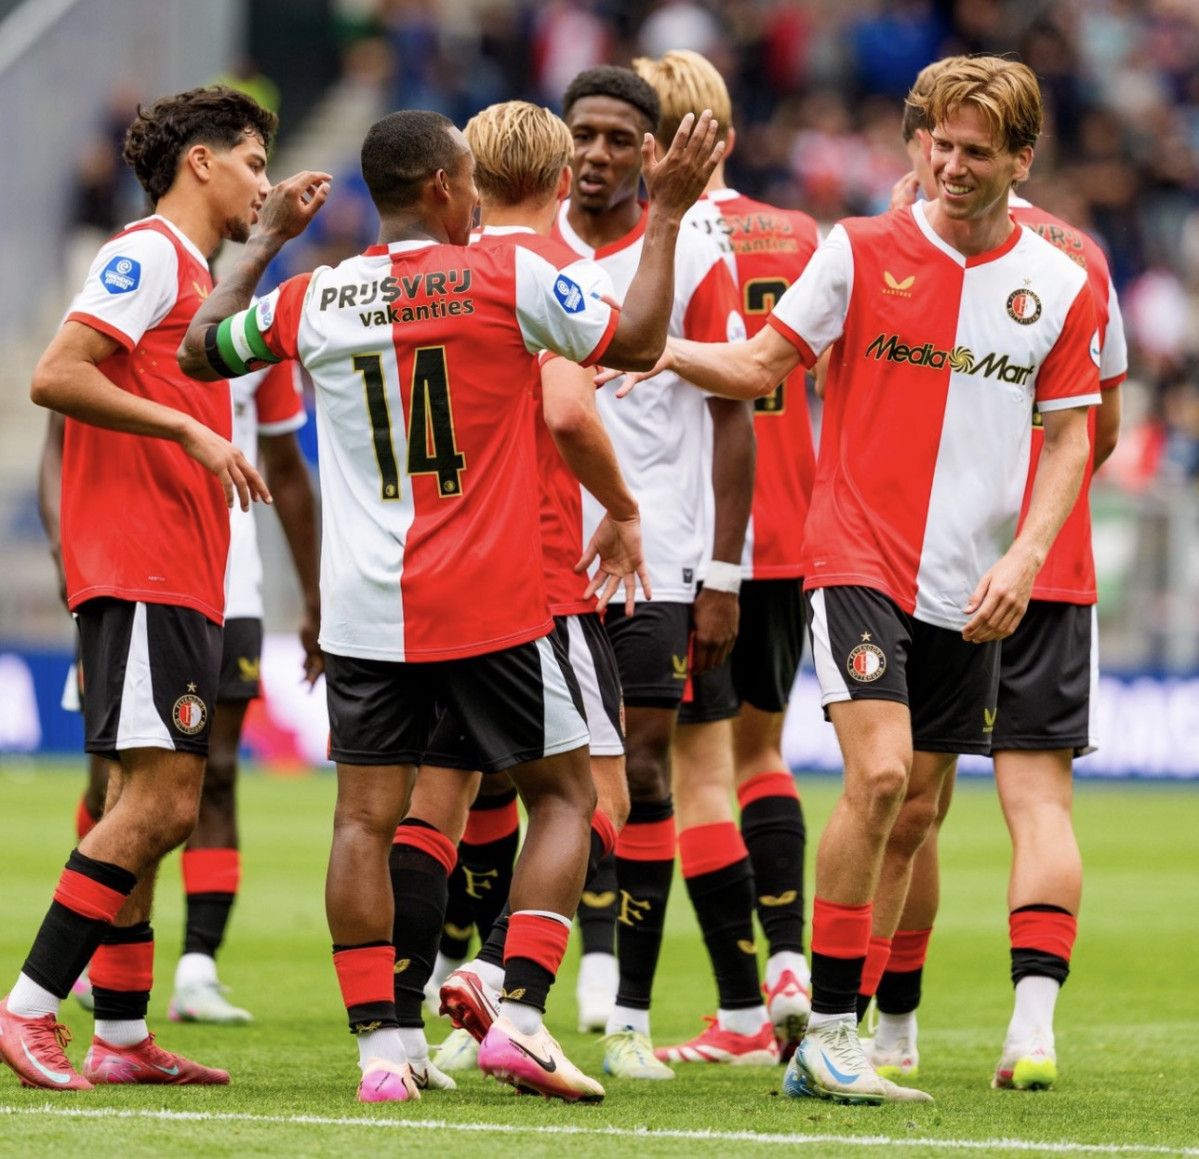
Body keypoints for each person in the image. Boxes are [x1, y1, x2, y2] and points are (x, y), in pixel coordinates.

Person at [177, 106, 723, 1103]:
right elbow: (641, 339)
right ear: (440, 185)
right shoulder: (504, 276)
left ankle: (383, 1053)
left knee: (364, 821)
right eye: (466, 177)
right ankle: (520, 1014)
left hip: (363, 608)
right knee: (570, 797)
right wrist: (671, 212)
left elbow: (199, 351)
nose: (475, 192)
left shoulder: (314, 296)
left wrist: (263, 243)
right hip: (490, 601)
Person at [604, 56, 1100, 1105]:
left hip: (970, 584)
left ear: (1021, 159)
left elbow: (1072, 437)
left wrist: (1024, 557)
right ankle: (829, 1034)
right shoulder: (859, 250)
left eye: (976, 152)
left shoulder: (1063, 281)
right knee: (877, 778)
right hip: (855, 556)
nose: (950, 166)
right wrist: (665, 353)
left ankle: (851, 1028)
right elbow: (760, 365)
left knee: (915, 811)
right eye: (938, 145)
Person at [1, 85, 280, 1093]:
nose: (263, 182)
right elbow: (55, 372)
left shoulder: (192, 271)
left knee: (145, 797)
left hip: (179, 568)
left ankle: (120, 1032)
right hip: (141, 565)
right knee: (163, 801)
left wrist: (271, 243)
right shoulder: (146, 252)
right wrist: (188, 427)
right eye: (253, 162)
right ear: (201, 161)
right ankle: (30, 1005)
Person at [863, 57, 1127, 1093]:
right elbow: (1094, 429)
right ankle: (1031, 1031)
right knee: (1041, 805)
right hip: (1051, 565)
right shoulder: (1082, 256)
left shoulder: (905, 240)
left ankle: (891, 1031)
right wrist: (1039, 524)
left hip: (937, 559)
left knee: (910, 807)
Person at [378, 98, 646, 1083]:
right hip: (536, 577)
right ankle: (508, 986)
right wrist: (622, 506)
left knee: (431, 807)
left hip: (429, 574)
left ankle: (396, 1031)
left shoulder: (432, 273)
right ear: (565, 179)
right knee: (595, 797)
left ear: (471, 181)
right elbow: (569, 409)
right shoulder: (551, 274)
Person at [555, 65, 751, 1081]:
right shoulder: (526, 244)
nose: (596, 153)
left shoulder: (699, 249)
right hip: (537, 551)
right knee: (506, 776)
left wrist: (723, 571)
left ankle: (628, 1015)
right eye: (582, 133)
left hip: (659, 558)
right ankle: (493, 994)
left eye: (618, 138)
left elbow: (735, 414)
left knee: (640, 774)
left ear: (651, 151)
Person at [632, 47, 820, 1068]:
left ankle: (743, 1008)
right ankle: (790, 962)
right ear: (730, 135)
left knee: (694, 770)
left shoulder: (652, 240)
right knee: (763, 754)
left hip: (699, 536)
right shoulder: (799, 232)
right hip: (788, 530)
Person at [38, 367, 322, 1026]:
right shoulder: (125, 323)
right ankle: (90, 956)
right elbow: (58, 442)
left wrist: (315, 594)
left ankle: (197, 969)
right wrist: (63, 549)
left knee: (212, 774)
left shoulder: (258, 340)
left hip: (233, 582)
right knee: (115, 782)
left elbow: (284, 466)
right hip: (134, 574)